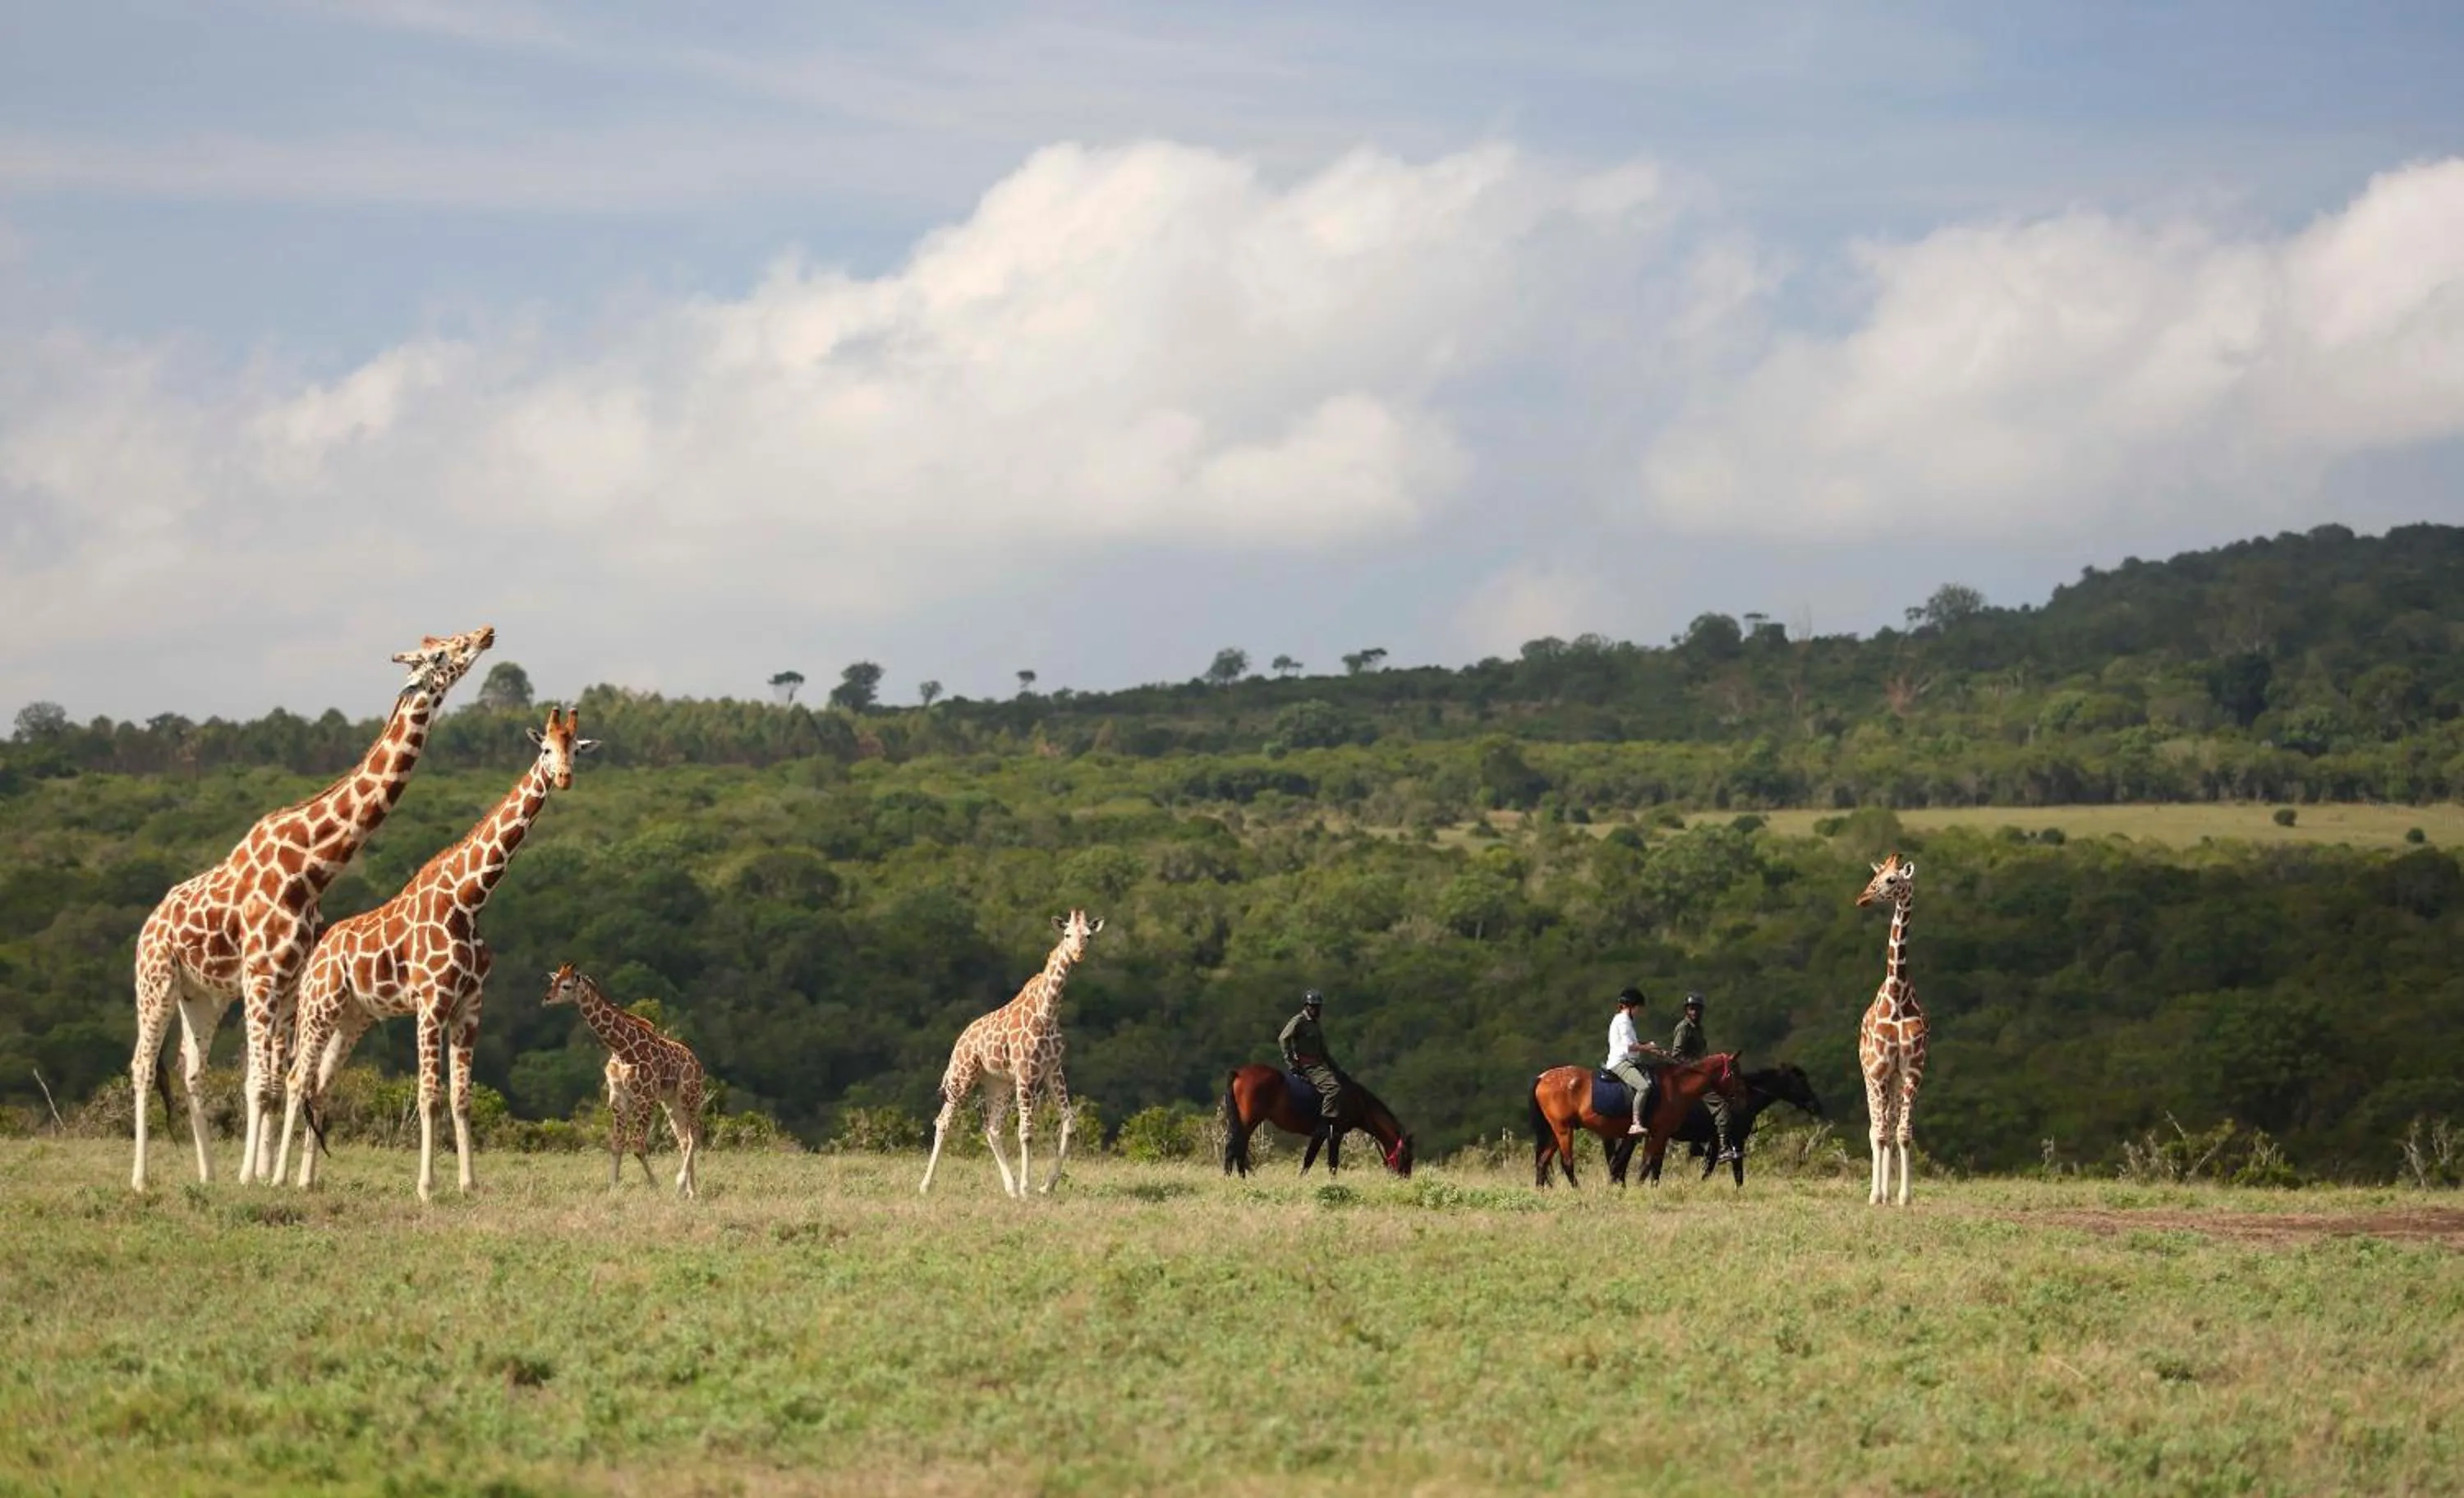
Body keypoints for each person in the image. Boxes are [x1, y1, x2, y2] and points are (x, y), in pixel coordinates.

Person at [1671, 991, 1739, 1163]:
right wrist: (1700, 1066)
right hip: (1690, 1076)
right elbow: (1676, 1055)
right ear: (1686, 1011)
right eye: (1692, 1009)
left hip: (1699, 1074)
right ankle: (1723, 1149)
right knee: (1721, 1107)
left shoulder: (1698, 1028)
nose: (1695, 1012)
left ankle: (1699, 1143)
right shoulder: (1684, 1028)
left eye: (1697, 1009)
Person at [1604, 986, 1669, 1136]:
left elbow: (1635, 1044)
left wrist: (1656, 1051)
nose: (1639, 1011)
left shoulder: (1624, 1020)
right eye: (1639, 1008)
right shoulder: (1623, 1021)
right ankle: (1636, 1123)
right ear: (1632, 1006)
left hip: (1629, 1061)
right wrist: (1647, 1047)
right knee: (1643, 1087)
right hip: (1620, 1062)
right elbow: (1630, 1046)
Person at [1279, 990, 1345, 1132]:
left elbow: (1323, 1051)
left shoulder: (1315, 1024)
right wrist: (1291, 1062)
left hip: (1319, 1063)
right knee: (1333, 1088)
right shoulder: (1299, 1021)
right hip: (1308, 1065)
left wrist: (1335, 1068)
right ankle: (1326, 1122)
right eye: (1313, 1006)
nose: (1316, 1009)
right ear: (1306, 1006)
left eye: (1318, 1006)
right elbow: (1284, 1038)